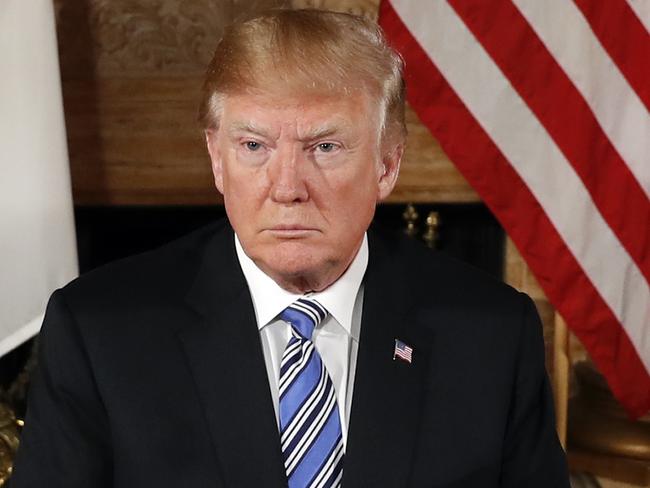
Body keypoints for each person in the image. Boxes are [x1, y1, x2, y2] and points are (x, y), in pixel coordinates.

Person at [10, 8, 570, 488]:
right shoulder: (99, 332)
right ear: (216, 158)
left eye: (324, 146)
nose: (286, 187)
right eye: (254, 145)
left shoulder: (491, 334)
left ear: (387, 163)